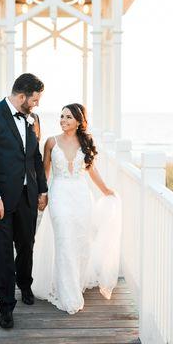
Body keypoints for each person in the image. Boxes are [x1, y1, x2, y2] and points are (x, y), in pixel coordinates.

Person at [32, 103, 122, 314]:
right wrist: (42, 195)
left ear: (79, 121)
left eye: (68, 117)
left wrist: (106, 189)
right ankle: (68, 294)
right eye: (61, 116)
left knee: (81, 242)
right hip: (59, 195)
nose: (63, 120)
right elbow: (45, 172)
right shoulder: (51, 142)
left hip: (82, 197)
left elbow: (91, 170)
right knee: (64, 240)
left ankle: (76, 281)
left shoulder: (86, 142)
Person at [0, 73, 48, 328]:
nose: (37, 105)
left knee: (27, 244)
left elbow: (35, 157)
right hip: (0, 201)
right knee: (3, 252)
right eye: (35, 100)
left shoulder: (34, 119)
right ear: (21, 96)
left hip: (28, 197)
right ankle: (5, 306)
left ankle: (25, 285)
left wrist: (42, 190)